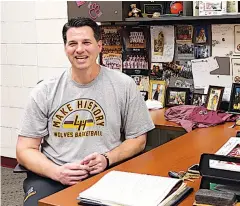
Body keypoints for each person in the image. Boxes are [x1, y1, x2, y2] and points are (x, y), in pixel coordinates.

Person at [16, 17, 155, 206]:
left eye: (86, 42)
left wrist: (107, 159)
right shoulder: (45, 91)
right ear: (65, 48)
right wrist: (57, 172)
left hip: (107, 171)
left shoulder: (124, 85)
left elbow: (138, 140)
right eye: (72, 43)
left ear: (99, 46)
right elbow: (25, 149)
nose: (79, 49)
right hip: (53, 175)